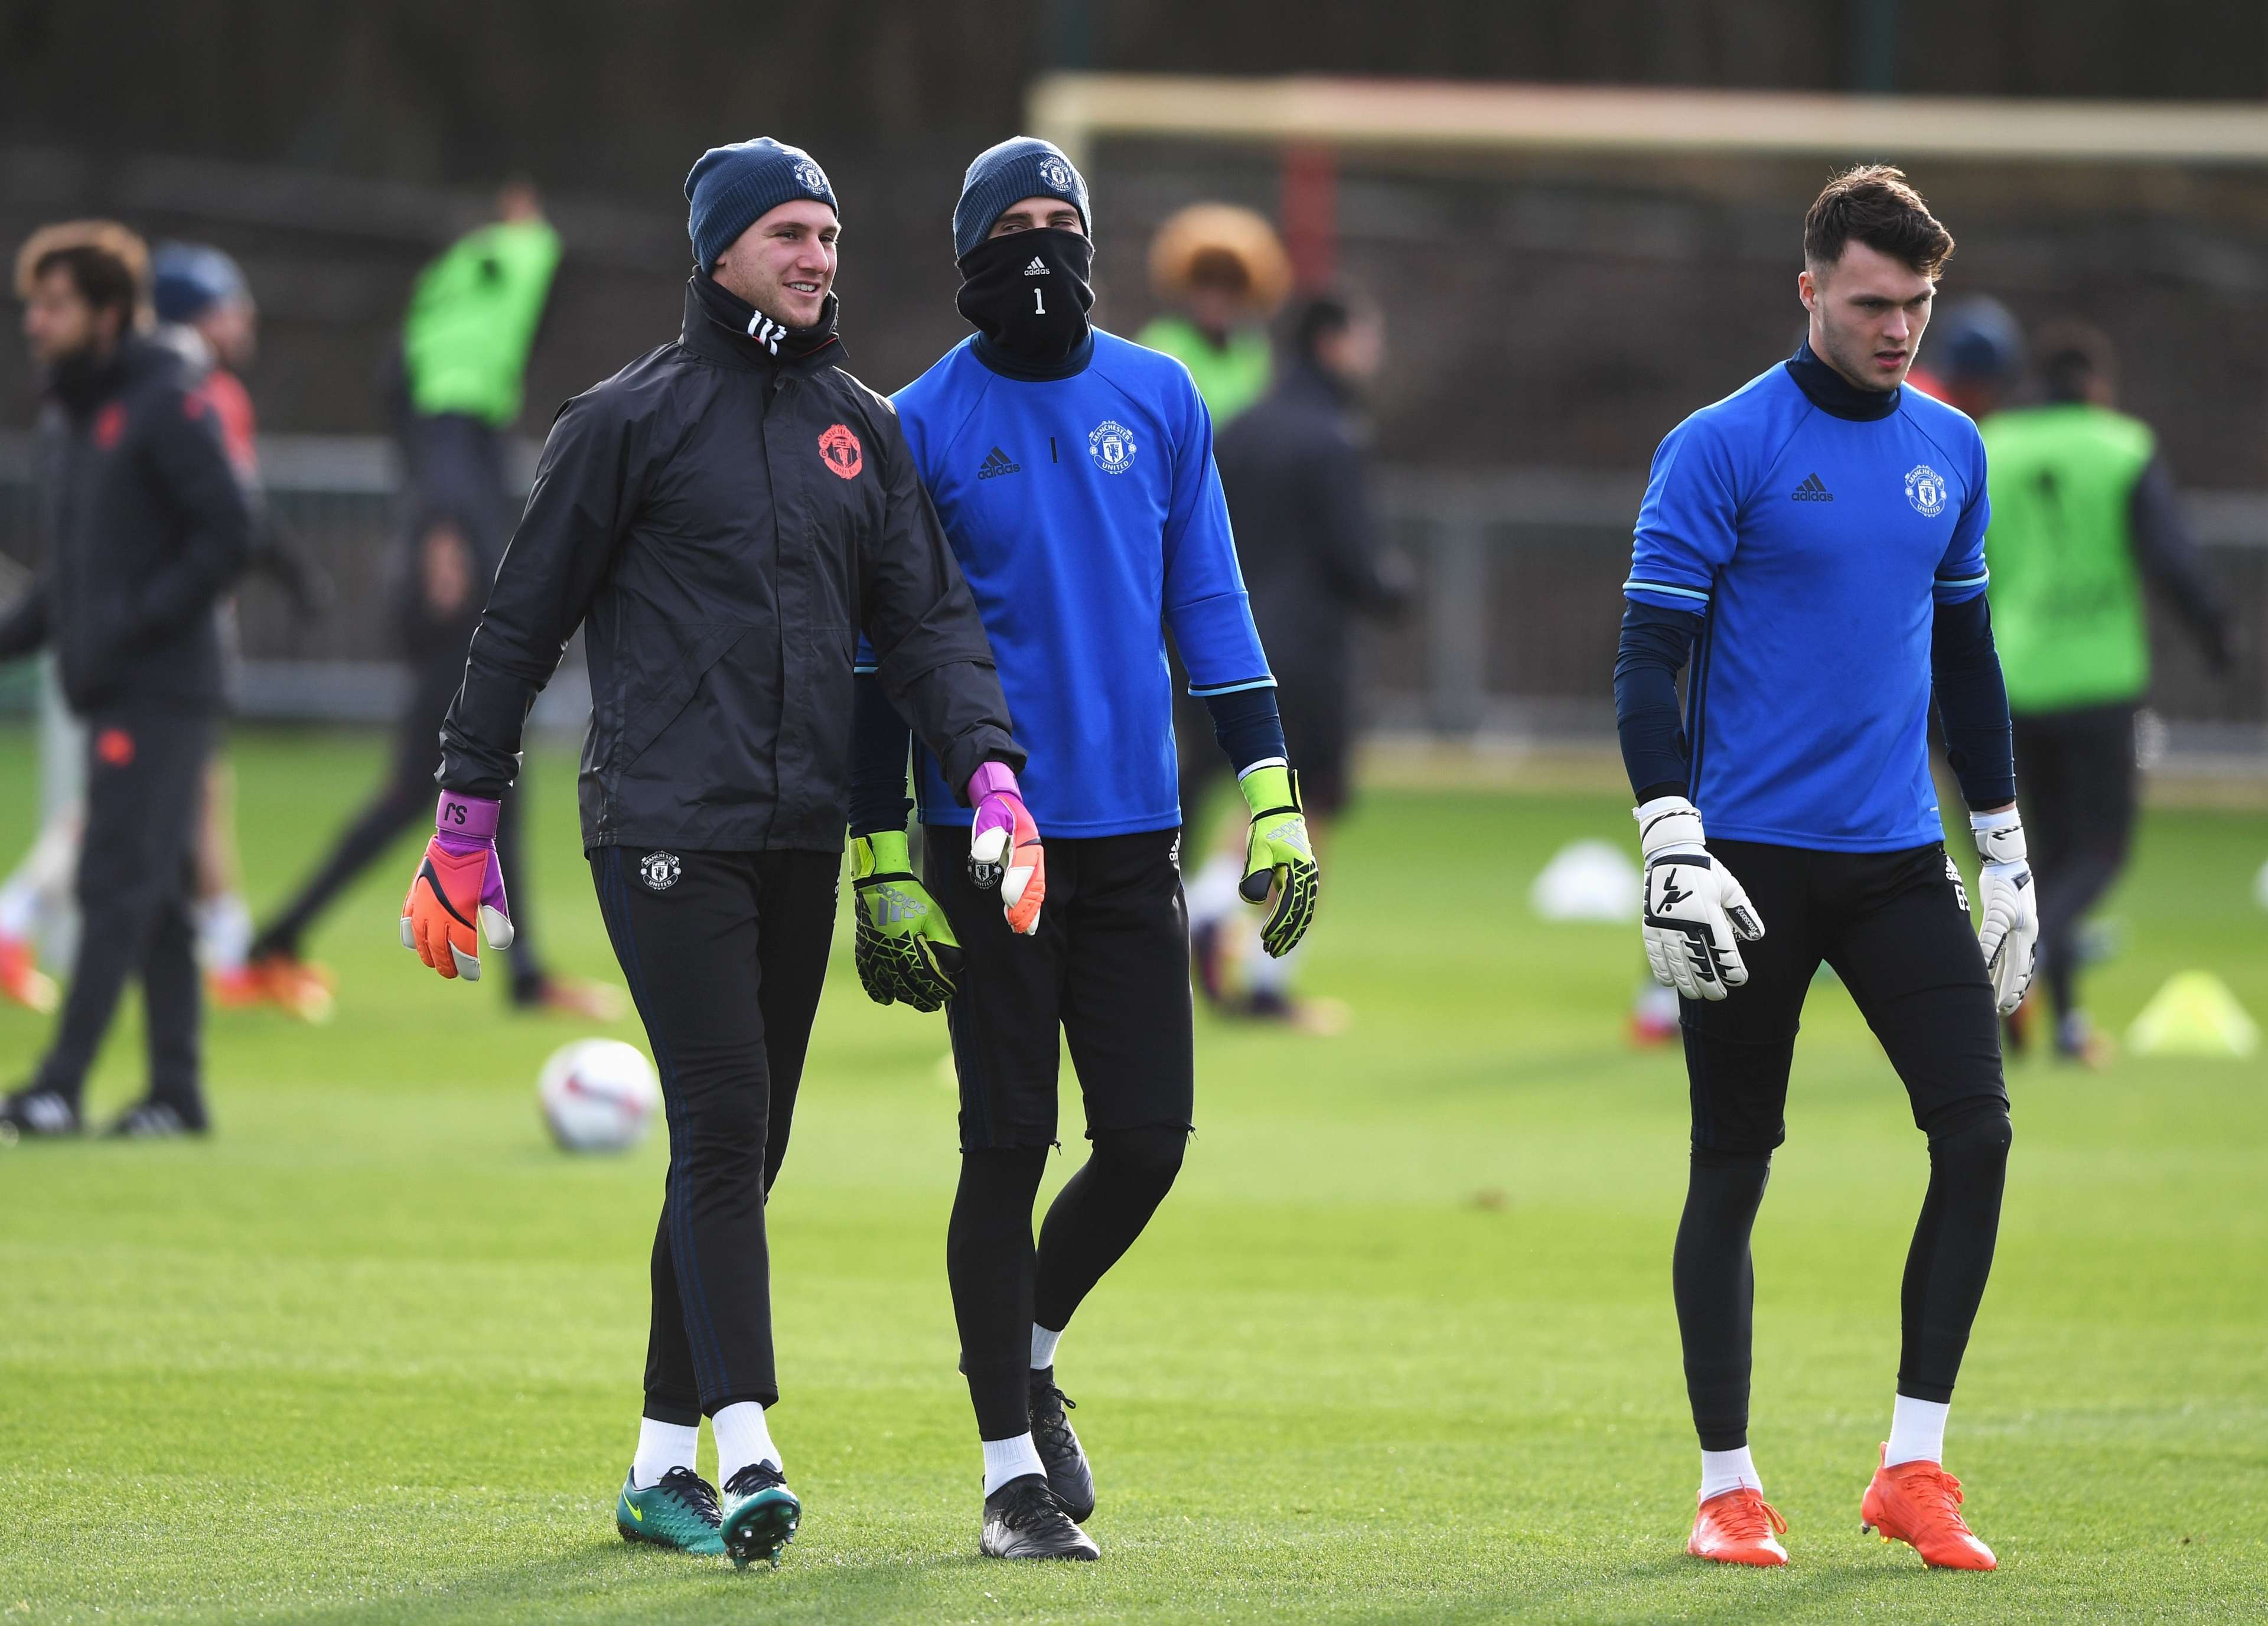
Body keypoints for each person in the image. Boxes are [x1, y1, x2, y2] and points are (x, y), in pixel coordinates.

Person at [401, 138, 1031, 1569]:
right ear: (719, 250)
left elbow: (926, 624)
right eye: (791, 233)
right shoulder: (624, 418)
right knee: (726, 1122)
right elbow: (518, 623)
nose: (819, 257)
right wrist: (464, 819)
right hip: (661, 830)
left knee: (747, 1149)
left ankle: (654, 1466)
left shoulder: (859, 425)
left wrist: (988, 767)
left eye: (831, 235)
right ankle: (747, 1448)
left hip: (796, 833)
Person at [845, 137, 1319, 1562]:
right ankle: (1007, 1475)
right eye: (1016, 225)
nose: (1042, 247)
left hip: (1136, 842)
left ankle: (1029, 1349)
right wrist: (878, 857)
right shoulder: (916, 419)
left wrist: (1274, 790)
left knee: (1149, 1145)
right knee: (1006, 1145)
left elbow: (1211, 609)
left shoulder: (1159, 393)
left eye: (1066, 222)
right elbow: (878, 666)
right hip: (988, 845)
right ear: (969, 249)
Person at [1613, 166, 2038, 1571]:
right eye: (1870, 303)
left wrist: (2002, 842)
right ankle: (1724, 1488)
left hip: (1891, 861)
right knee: (1731, 1166)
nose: (1896, 329)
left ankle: (1911, 1466)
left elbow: (1965, 660)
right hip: (1742, 866)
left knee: (1974, 1131)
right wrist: (1666, 830)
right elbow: (1648, 659)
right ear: (1808, 290)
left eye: (1914, 304)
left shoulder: (1949, 451)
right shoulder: (1718, 445)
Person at [237, 181, 610, 1022]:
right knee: (428, 785)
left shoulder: (435, 334)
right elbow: (446, 451)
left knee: (480, 775)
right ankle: (274, 944)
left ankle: (520, 973)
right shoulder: (462, 357)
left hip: (453, 589)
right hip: (455, 594)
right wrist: (448, 541)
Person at [0, 220, 252, 1138]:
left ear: (108, 313)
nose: (35, 322)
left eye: (55, 304)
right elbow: (72, 582)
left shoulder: (162, 399)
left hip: (163, 688)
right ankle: (176, 1095)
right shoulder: (74, 413)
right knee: (159, 901)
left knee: (115, 880)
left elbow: (232, 530)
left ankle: (58, 1086)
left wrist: (135, 621)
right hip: (114, 683)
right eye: (33, 304)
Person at [1941, 315, 2235, 1064]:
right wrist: (2217, 636)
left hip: (2011, 680)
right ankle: (2034, 964)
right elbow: (2171, 559)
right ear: (2097, 386)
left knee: (2035, 856)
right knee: (2099, 853)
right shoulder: (2122, 447)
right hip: (2100, 682)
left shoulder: (1990, 447)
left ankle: (2066, 1026)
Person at [1190, 291, 1407, 1025]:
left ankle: (1207, 909)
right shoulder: (1332, 436)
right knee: (1310, 808)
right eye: (1368, 336)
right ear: (1335, 340)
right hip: (1310, 654)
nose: (1375, 354)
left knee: (1259, 796)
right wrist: (1397, 588)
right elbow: (1356, 562)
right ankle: (1263, 974)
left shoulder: (1241, 428)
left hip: (1228, 647)